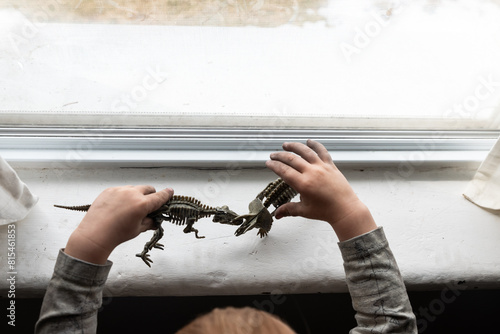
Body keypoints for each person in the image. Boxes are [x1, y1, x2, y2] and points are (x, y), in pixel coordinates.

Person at [35, 139, 417, 333]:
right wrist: (351, 214)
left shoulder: (208, 215)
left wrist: (89, 244)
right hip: (169, 211)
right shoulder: (197, 215)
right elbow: (392, 325)